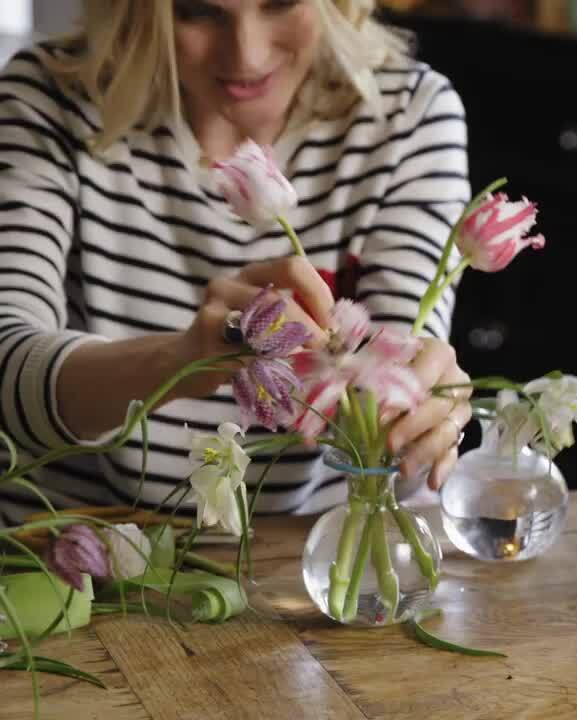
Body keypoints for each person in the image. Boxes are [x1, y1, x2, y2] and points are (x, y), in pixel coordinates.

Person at [0, 0, 472, 524]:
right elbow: (7, 363)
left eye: (281, 3)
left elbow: (398, 380)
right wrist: (183, 359)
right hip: (67, 558)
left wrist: (420, 407)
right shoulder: (47, 99)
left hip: (309, 566)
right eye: (198, 11)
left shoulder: (407, 112)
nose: (247, 55)